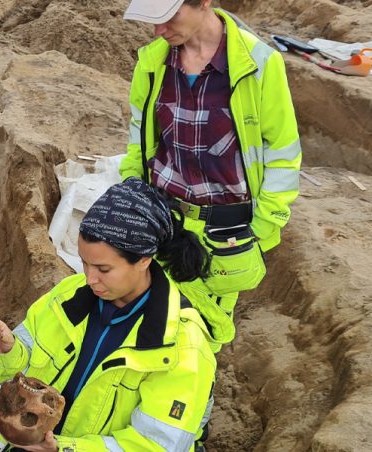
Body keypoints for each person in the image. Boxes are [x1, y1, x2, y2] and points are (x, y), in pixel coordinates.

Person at [0, 178, 216, 451]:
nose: (89, 279)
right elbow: (2, 388)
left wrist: (63, 448)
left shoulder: (183, 347)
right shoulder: (67, 296)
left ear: (144, 260)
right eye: (84, 262)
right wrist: (5, 353)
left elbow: (154, 446)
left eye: (103, 269)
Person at [120, 0, 302, 351]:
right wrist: (132, 197)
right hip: (163, 219)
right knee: (146, 323)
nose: (158, 31)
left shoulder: (259, 64)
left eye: (168, 18)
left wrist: (260, 231)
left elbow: (283, 153)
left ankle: (197, 401)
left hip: (224, 234)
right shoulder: (152, 62)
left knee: (200, 334)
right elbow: (138, 140)